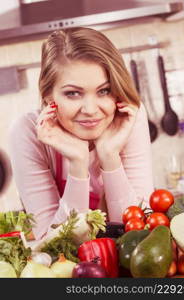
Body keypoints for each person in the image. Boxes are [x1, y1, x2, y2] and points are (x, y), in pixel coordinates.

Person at [8, 27, 154, 240]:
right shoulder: (27, 132)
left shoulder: (129, 116)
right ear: (49, 96)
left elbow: (138, 236)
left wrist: (110, 157)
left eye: (104, 91)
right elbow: (54, 244)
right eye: (73, 93)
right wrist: (78, 163)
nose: (91, 109)